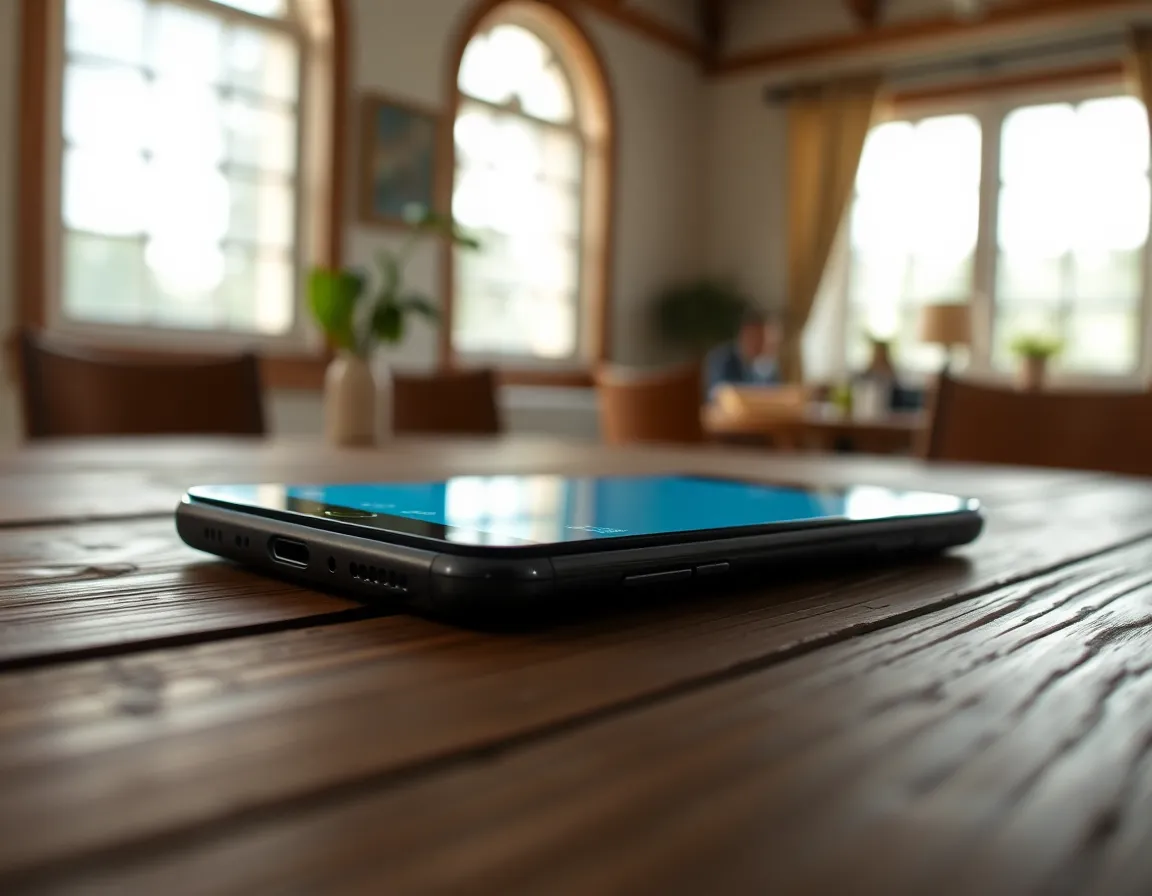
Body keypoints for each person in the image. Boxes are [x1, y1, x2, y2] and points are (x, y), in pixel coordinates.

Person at [704, 309, 784, 399]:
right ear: (743, 335)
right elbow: (718, 394)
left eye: (761, 338)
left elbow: (776, 393)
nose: (758, 343)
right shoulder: (721, 359)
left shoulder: (764, 364)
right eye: (755, 337)